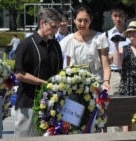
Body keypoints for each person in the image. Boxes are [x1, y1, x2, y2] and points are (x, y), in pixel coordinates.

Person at [14, 8, 63, 137]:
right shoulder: (26, 45)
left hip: (50, 103)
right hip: (29, 102)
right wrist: (45, 83)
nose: (56, 30)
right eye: (53, 27)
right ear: (42, 23)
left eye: (57, 27)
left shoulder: (55, 45)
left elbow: (59, 72)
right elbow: (19, 73)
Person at [60, 4, 111, 91]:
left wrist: (106, 81)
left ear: (90, 20)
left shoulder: (99, 38)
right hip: (74, 85)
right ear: (74, 20)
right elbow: (67, 66)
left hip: (95, 83)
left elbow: (106, 66)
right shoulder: (68, 40)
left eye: (86, 20)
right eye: (79, 20)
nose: (82, 24)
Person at [107, 2, 130, 95]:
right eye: (115, 16)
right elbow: (104, 56)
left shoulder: (131, 35)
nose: (118, 19)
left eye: (120, 16)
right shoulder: (107, 35)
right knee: (113, 104)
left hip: (129, 73)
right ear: (111, 17)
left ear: (126, 16)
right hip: (114, 74)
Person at [119, 21, 136, 96]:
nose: (131, 33)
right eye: (129, 32)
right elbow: (117, 63)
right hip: (126, 85)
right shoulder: (123, 49)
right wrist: (115, 44)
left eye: (134, 31)